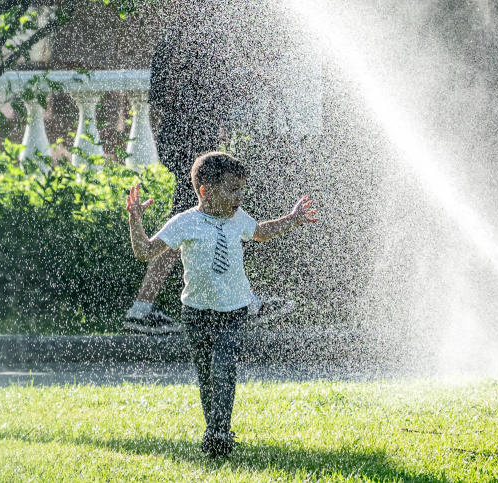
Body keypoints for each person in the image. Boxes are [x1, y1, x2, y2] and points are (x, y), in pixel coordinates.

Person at [125, 152, 318, 456]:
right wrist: (135, 221)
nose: (239, 197)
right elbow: (145, 252)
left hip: (235, 312)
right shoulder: (185, 223)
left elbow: (261, 232)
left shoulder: (237, 218)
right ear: (205, 191)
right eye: (232, 189)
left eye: (242, 189)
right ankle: (214, 429)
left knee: (223, 368)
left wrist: (292, 220)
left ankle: (220, 431)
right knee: (206, 377)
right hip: (196, 315)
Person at [123, 1, 281, 334]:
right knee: (202, 219)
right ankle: (144, 308)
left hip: (179, 145)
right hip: (194, 150)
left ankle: (146, 307)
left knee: (201, 220)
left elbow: (157, 107)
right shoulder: (200, 41)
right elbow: (220, 93)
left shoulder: (172, 41)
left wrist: (167, 148)